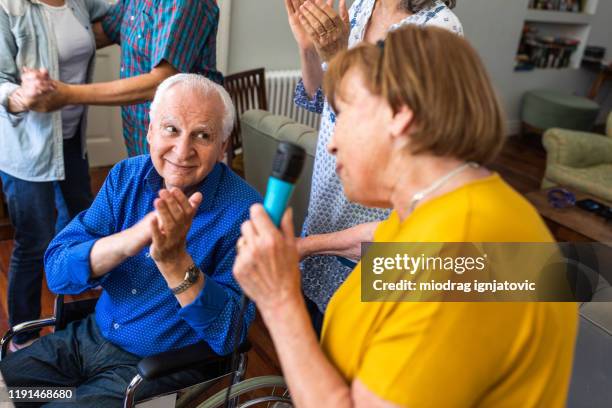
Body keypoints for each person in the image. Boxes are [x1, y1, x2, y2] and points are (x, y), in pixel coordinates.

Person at [232, 26, 578, 407]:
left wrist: (279, 301)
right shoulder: (446, 204)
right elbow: (390, 244)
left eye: (343, 114)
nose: (330, 141)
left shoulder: (462, 248)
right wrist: (304, 247)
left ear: (400, 114)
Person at [0, 74, 260, 406]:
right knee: (5, 394)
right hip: (89, 340)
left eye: (203, 135)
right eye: (171, 129)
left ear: (223, 146)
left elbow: (229, 335)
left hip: (157, 370)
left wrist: (175, 263)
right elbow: (57, 270)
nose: (182, 150)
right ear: (150, 132)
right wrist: (132, 239)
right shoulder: (126, 177)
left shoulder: (245, 213)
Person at [285, 0, 463, 330]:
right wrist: (309, 50)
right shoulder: (362, 6)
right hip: (327, 197)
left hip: (374, 215)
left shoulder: (440, 28)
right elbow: (321, 100)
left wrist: (338, 57)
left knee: (350, 335)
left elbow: (392, 136)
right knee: (313, 323)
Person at [0, 0, 110, 351]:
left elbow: (120, 14)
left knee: (80, 218)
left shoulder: (81, 2)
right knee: (34, 239)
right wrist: (22, 96)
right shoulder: (9, 7)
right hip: (27, 147)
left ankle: (74, 317)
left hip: (72, 138)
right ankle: (23, 337)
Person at [18, 0, 223, 157]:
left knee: (176, 207)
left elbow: (161, 82)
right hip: (142, 131)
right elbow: (101, 33)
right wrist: (28, 48)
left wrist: (68, 94)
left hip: (181, 139)